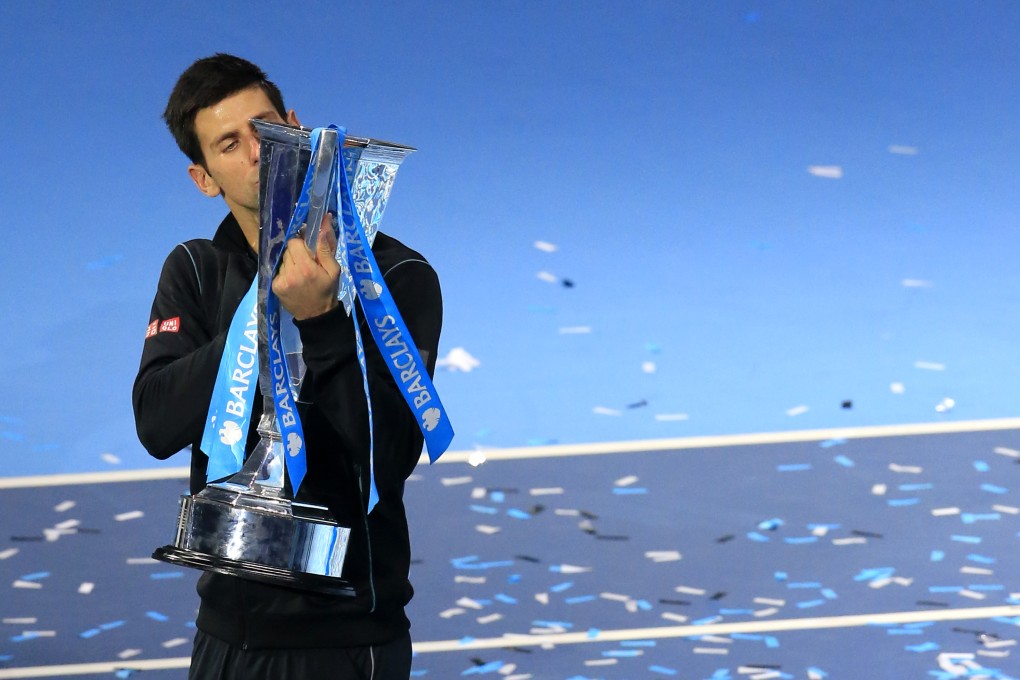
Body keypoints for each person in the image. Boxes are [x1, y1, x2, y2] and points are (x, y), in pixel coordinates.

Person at [132, 53, 442, 679]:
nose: (257, 152)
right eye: (229, 143)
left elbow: (392, 454)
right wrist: (260, 318)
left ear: (296, 126)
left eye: (266, 126)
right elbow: (157, 425)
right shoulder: (195, 271)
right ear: (204, 177)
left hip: (349, 637)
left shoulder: (397, 278)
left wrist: (323, 323)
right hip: (226, 633)